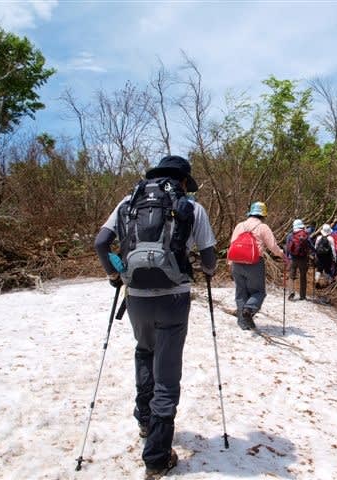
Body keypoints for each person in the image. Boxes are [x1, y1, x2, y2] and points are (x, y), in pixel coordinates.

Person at [94, 155, 217, 480]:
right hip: (173, 299)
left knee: (144, 352)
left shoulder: (127, 202)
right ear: (184, 180)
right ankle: (157, 457)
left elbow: (102, 242)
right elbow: (209, 258)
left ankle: (145, 420)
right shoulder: (192, 207)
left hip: (135, 297)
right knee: (167, 374)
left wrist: (114, 274)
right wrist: (207, 269)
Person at [229, 201, 285, 330]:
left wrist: (230, 263)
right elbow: (272, 246)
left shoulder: (239, 226)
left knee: (241, 293)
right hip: (254, 263)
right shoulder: (263, 227)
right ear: (263, 215)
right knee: (258, 292)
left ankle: (243, 323)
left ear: (250, 213)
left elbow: (232, 244)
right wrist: (282, 254)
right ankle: (249, 309)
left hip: (237, 263)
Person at [284, 218, 314, 301]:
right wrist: (314, 253)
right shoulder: (306, 235)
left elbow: (287, 247)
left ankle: (291, 293)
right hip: (304, 259)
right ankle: (302, 295)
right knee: (303, 276)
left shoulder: (290, 235)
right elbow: (311, 246)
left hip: (292, 258)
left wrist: (286, 257)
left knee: (291, 276)